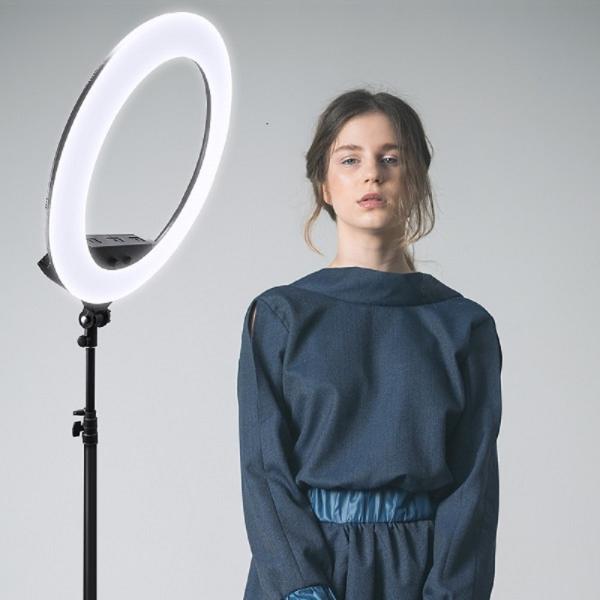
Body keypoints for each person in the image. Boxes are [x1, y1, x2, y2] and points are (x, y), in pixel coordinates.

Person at [236, 88, 503, 600]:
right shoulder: (280, 317)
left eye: (391, 158)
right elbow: (265, 472)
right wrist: (301, 589)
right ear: (323, 184)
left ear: (416, 177)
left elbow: (474, 487)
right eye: (350, 159)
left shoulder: (463, 326)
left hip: (423, 573)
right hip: (305, 568)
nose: (371, 175)